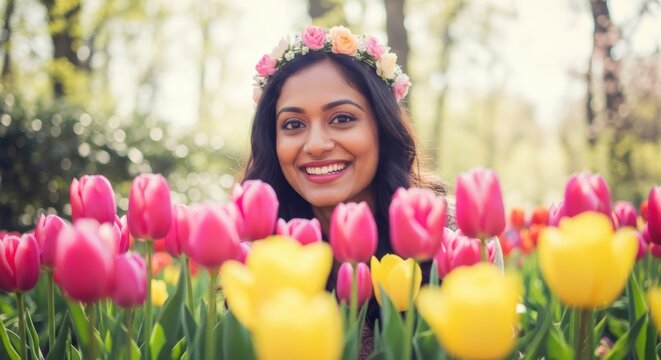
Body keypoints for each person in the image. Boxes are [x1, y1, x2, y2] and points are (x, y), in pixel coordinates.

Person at [243, 25, 447, 257]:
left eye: (342, 118)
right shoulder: (251, 253)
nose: (316, 145)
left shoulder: (453, 236)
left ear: (382, 127)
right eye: (293, 124)